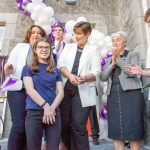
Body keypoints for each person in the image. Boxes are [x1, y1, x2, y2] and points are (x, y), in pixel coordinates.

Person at [58, 21, 100, 150]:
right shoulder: (69, 47)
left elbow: (96, 71)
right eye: (75, 33)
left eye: (79, 34)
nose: (76, 36)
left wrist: (85, 78)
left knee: (79, 125)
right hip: (65, 90)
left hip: (84, 91)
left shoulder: (94, 49)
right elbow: (61, 65)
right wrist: (70, 76)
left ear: (87, 34)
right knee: (63, 123)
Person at [100, 31, 144, 150]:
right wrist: (112, 64)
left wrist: (118, 59)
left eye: (118, 40)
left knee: (133, 131)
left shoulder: (133, 54)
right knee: (116, 131)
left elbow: (132, 71)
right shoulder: (109, 59)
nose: (115, 42)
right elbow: (103, 77)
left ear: (125, 42)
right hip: (113, 96)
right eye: (113, 40)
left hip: (132, 96)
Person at [4, 25, 46, 150]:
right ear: (29, 35)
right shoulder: (20, 47)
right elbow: (11, 63)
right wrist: (9, 67)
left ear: (42, 36)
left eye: (39, 32)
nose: (36, 34)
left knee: (31, 127)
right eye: (33, 32)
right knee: (19, 125)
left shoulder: (45, 50)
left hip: (37, 94)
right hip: (18, 89)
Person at [21, 37, 64, 150]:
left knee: (53, 147)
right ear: (35, 50)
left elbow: (60, 92)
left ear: (50, 50)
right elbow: (30, 90)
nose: (44, 49)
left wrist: (51, 109)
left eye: (47, 47)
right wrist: (46, 106)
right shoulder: (28, 68)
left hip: (53, 113)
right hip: (34, 113)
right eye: (40, 47)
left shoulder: (56, 70)